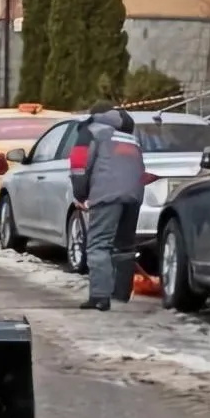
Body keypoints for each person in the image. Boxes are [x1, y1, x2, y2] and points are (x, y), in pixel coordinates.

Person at [70, 100, 145, 310]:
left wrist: (80, 194)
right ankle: (121, 295)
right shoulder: (130, 136)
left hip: (106, 193)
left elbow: (78, 165)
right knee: (125, 245)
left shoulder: (90, 131)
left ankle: (100, 297)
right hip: (134, 193)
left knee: (98, 243)